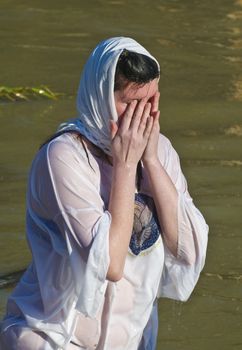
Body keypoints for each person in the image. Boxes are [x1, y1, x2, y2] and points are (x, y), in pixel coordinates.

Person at [0, 37, 209, 350]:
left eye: (150, 101)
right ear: (101, 98)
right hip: (52, 338)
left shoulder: (160, 152)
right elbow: (110, 265)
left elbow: (189, 254)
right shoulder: (62, 158)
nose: (143, 116)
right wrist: (125, 166)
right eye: (130, 103)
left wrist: (149, 161)